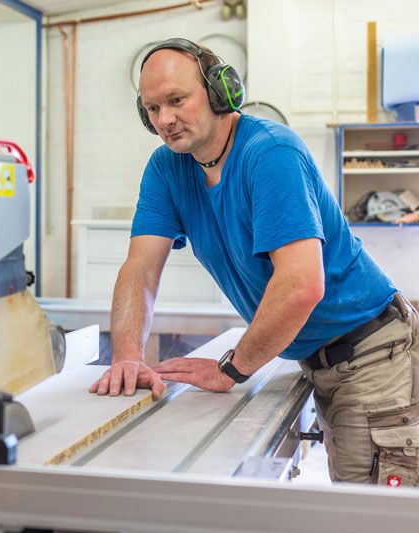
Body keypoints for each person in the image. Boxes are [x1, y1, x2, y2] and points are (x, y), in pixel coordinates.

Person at [89, 37, 419, 486]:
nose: (164, 120)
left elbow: (302, 284)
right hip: (322, 361)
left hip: (373, 356)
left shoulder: (270, 153)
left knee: (372, 516)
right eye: (151, 109)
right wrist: (126, 355)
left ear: (219, 90)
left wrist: (231, 368)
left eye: (176, 100)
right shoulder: (167, 168)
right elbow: (140, 268)